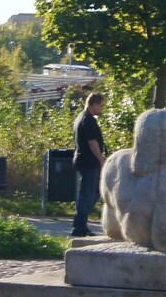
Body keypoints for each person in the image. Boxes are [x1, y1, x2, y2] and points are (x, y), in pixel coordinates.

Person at [72, 92, 108, 237]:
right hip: (89, 162)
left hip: (86, 160)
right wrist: (101, 158)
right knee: (87, 194)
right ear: (93, 104)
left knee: (95, 192)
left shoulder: (82, 117)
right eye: (101, 105)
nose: (102, 108)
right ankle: (79, 226)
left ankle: (81, 223)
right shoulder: (88, 120)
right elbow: (92, 142)